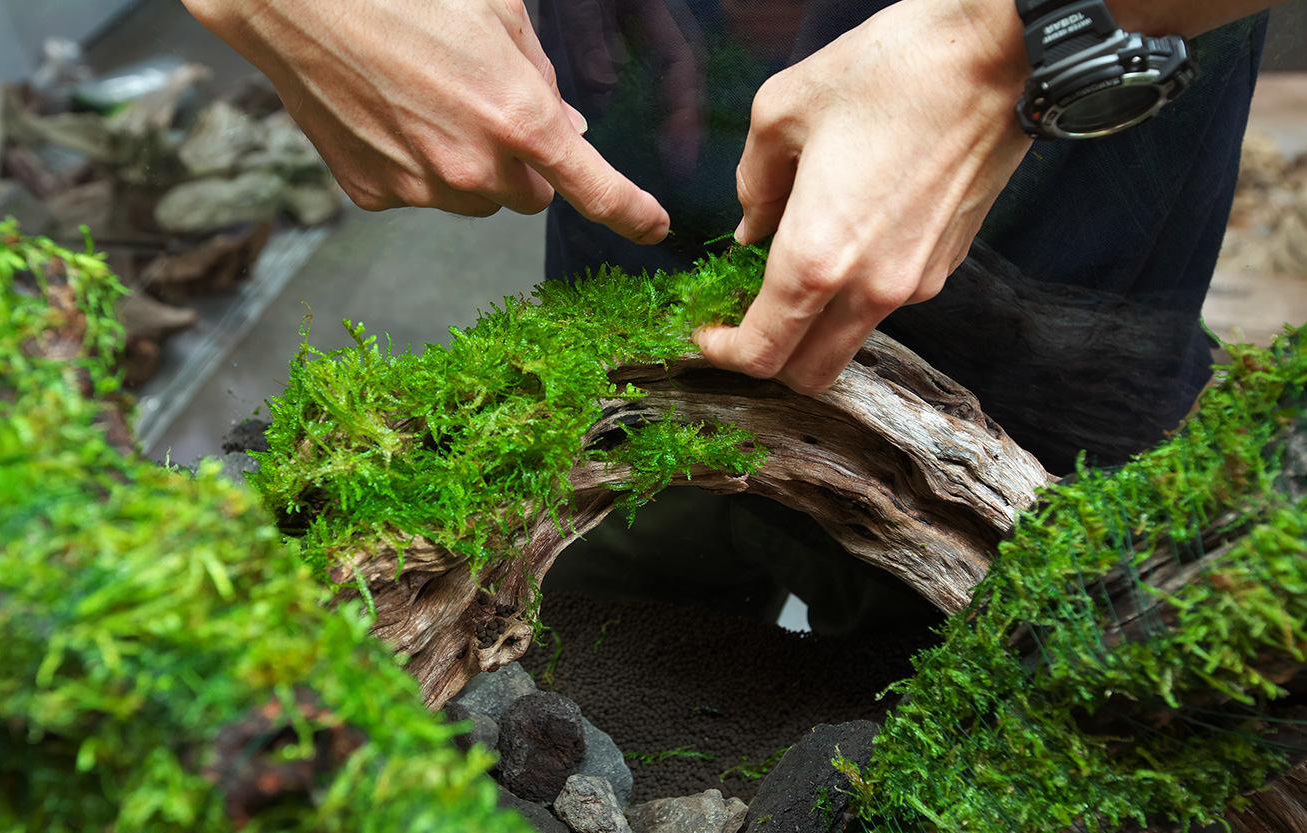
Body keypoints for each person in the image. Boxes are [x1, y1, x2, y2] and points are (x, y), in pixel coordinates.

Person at [181, 0, 1278, 631]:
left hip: (1058, 238)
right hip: (641, 203)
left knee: (1042, 718)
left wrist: (1020, 38)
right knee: (586, 656)